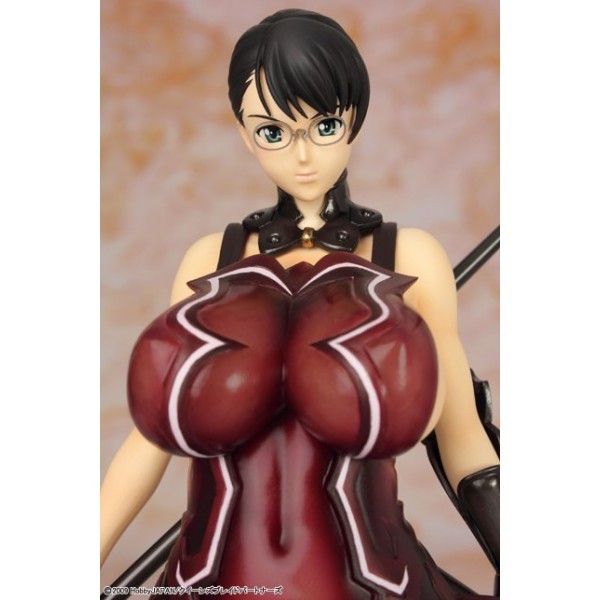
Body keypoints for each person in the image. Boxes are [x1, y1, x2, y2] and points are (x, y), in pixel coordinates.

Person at [101, 9, 499, 599]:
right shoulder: (210, 260)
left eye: (324, 126)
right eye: (273, 132)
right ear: (244, 134)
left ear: (354, 119)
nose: (303, 155)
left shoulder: (409, 256)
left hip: (372, 583)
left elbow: (461, 441)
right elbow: (154, 436)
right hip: (209, 581)